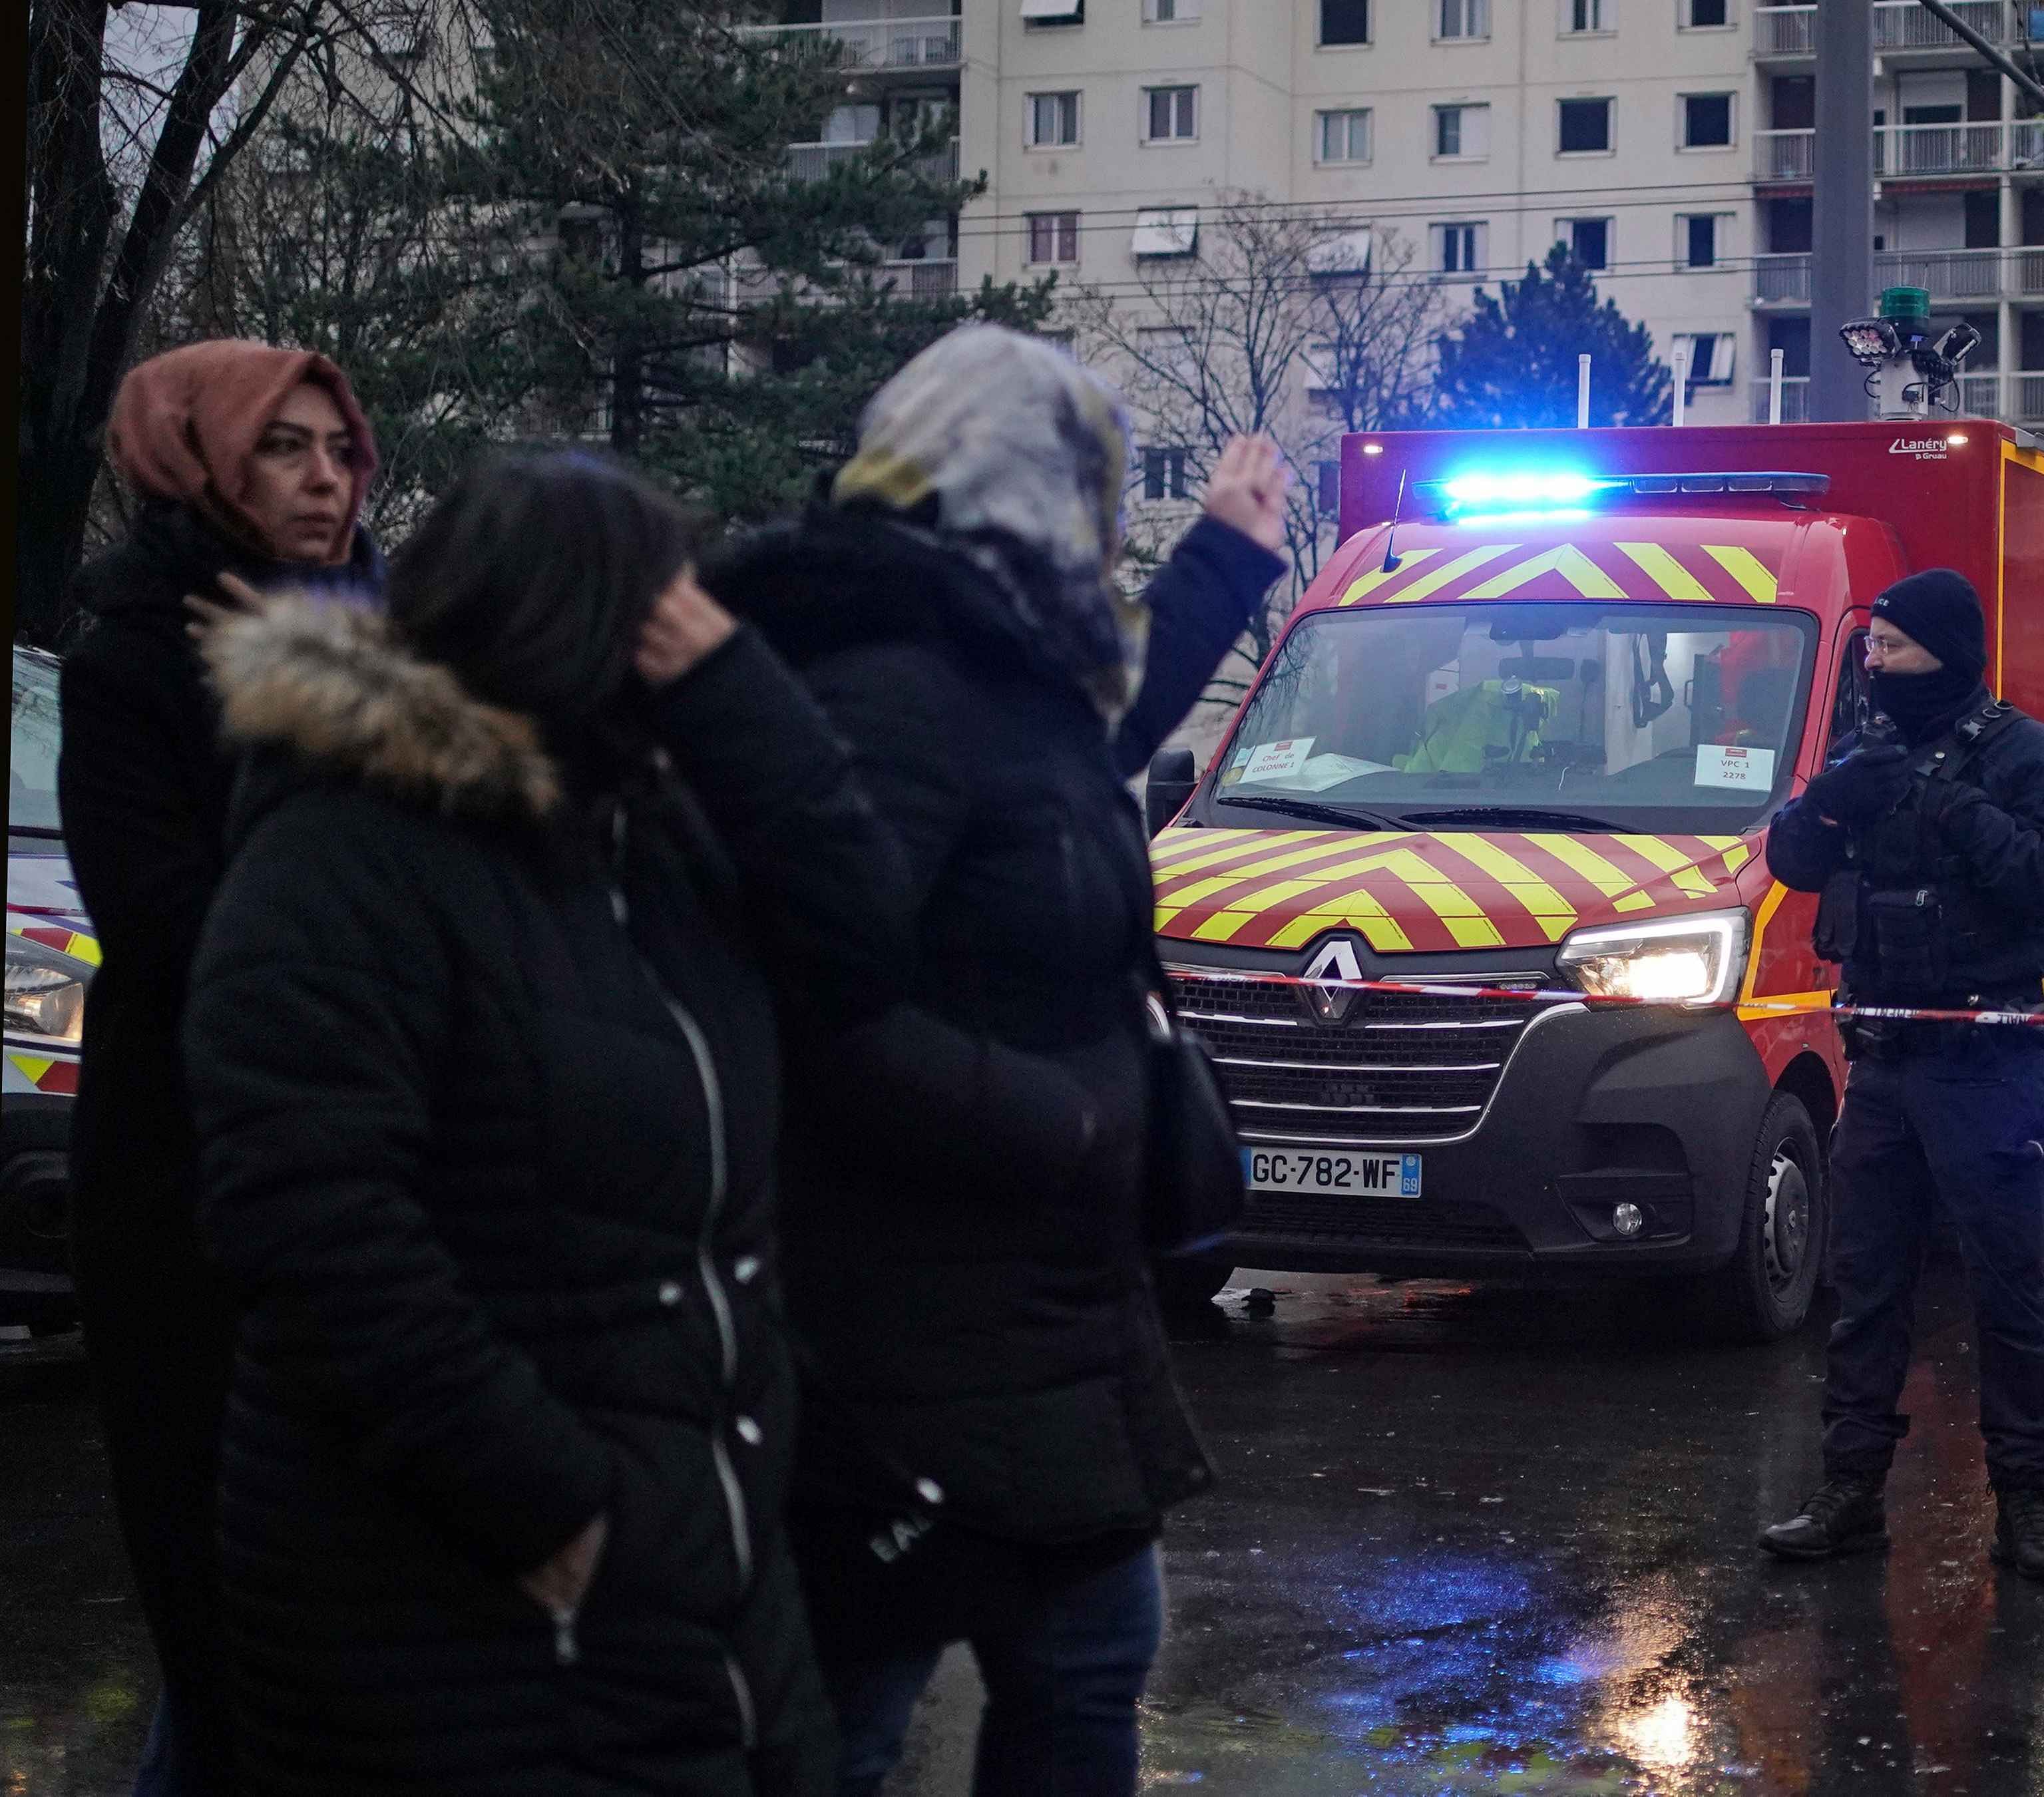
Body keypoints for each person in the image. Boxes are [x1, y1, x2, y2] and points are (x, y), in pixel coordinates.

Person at [181, 450, 911, 1796]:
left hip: (699, 1584)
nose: (692, 628)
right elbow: (314, 1229)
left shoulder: (649, 830)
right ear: (578, 623)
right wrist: (561, 1514)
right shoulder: (342, 853)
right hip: (470, 1614)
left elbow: (867, 950)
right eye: (667, 605)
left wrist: (742, 696)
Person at [702, 323, 1290, 1797]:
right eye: (1088, 490)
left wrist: (1223, 561)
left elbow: (1078, 746)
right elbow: (807, 991)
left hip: (1040, 1318)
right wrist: (1065, 1123)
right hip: (894, 1321)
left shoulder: (1008, 667)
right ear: (1017, 495)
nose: (1102, 528)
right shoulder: (889, 688)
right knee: (853, 1712)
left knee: (1088, 1668)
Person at [57, 339, 385, 1796]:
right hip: (193, 1190)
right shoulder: (132, 653)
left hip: (379, 1180)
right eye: (284, 448)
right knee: (234, 1628)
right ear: (199, 458)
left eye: (339, 448)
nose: (326, 479)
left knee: (346, 1650)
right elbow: (190, 934)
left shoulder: (379, 634)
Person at [1756, 570, 2044, 1583]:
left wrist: (1961, 817)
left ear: (1945, 653)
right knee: (1865, 1290)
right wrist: (1826, 806)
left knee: (2007, 1291)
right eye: (1872, 648)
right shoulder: (1867, 753)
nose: (1876, 663)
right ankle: (1849, 1492)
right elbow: (1790, 863)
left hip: (1986, 1061)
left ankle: (2027, 1503)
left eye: (1893, 649)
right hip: (1886, 1066)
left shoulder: (2024, 756)